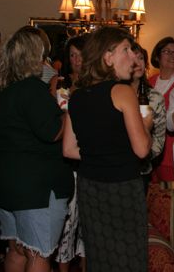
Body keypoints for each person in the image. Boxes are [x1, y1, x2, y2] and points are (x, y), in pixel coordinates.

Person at [63, 27, 152, 272]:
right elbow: (143, 149)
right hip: (121, 187)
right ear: (108, 56)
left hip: (89, 187)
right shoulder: (122, 92)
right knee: (129, 258)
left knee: (100, 257)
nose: (133, 57)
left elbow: (69, 149)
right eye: (126, 50)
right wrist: (147, 123)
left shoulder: (77, 96)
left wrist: (100, 151)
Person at [0, 26, 74, 272]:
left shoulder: (6, 91)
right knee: (38, 255)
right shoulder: (32, 89)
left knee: (16, 251)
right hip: (37, 189)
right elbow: (52, 131)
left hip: (10, 185)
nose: (46, 62)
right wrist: (68, 112)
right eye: (43, 56)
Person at [55, 34, 88, 272]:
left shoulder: (97, 84)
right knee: (68, 221)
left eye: (80, 55)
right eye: (72, 55)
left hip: (90, 158)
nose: (76, 60)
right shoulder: (61, 83)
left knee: (89, 225)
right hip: (68, 160)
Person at [130, 42, 167, 191]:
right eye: (133, 58)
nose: (138, 63)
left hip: (142, 170)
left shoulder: (154, 97)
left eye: (141, 58)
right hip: (114, 170)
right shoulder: (114, 94)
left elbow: (159, 138)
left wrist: (142, 155)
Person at [149, 37, 174, 181]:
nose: (173, 55)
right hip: (150, 150)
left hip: (171, 151)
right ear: (157, 57)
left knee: (171, 198)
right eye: (167, 51)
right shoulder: (149, 81)